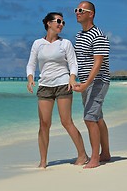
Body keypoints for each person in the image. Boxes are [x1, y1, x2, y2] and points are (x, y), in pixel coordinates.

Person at [26, 12, 87, 168]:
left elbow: (73, 64)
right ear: (48, 23)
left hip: (63, 84)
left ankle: (82, 155)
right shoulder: (38, 43)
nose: (61, 24)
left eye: (63, 22)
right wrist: (30, 78)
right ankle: (43, 161)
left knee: (66, 121)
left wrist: (72, 78)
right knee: (44, 124)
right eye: (58, 21)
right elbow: (31, 64)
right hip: (45, 86)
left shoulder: (65, 43)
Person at [73, 1, 111, 168]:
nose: (77, 12)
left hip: (97, 82)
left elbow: (98, 64)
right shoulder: (79, 36)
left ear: (91, 14)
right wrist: (73, 79)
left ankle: (95, 158)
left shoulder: (98, 35)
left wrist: (86, 84)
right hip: (84, 82)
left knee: (89, 119)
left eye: (81, 10)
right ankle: (106, 153)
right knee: (97, 118)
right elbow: (77, 61)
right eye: (76, 10)